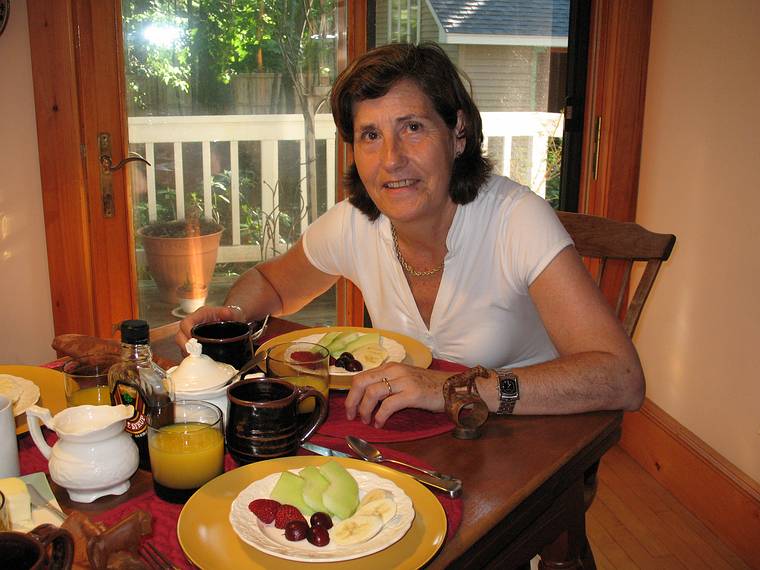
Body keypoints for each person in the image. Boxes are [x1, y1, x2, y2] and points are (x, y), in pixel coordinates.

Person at [177, 42, 644, 428]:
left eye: (413, 128)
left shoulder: (516, 220)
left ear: (458, 132)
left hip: (521, 439)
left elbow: (620, 377)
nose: (392, 159)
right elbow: (275, 284)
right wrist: (233, 315)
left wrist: (450, 390)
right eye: (371, 136)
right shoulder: (356, 222)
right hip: (415, 436)